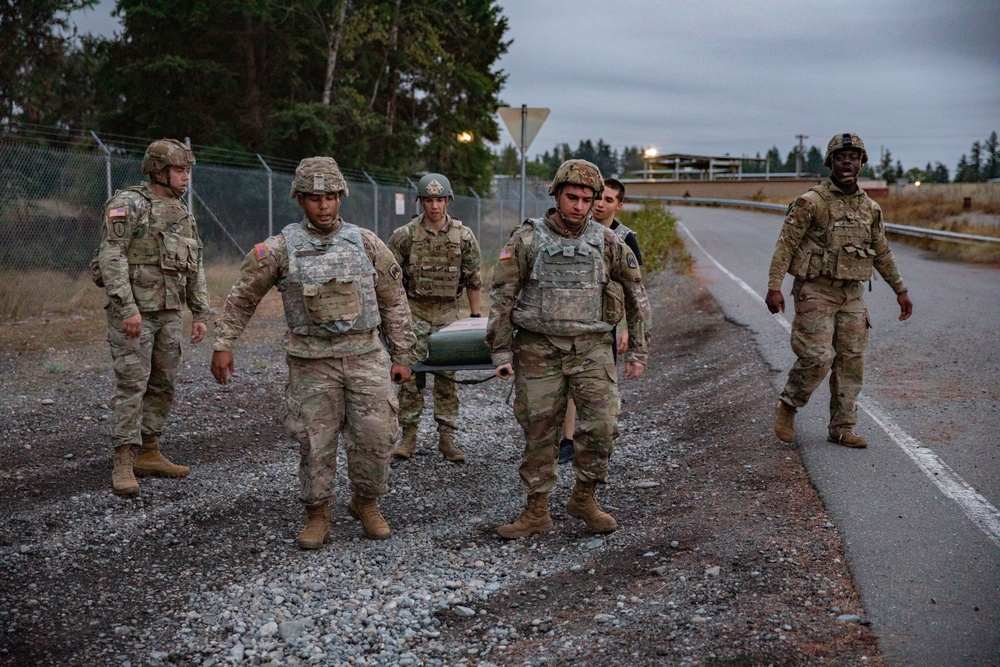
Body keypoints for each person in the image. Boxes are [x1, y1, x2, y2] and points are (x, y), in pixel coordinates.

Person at [210, 157, 416, 548]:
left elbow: (393, 300)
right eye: (314, 198)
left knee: (376, 436)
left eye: (331, 197)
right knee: (315, 443)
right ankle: (317, 514)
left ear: (341, 198)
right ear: (301, 201)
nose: (324, 206)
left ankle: (366, 502)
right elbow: (242, 297)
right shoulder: (280, 248)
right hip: (311, 362)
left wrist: (403, 354)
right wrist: (224, 344)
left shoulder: (367, 243)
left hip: (366, 356)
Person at [486, 159, 652, 539]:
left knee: (604, 425)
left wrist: (638, 351)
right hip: (538, 348)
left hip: (592, 347)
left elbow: (636, 297)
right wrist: (500, 353)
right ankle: (536, 510)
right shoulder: (527, 240)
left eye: (586, 199)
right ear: (557, 195)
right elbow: (503, 298)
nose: (579, 206)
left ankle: (584, 497)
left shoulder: (609, 242)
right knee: (539, 429)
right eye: (572, 197)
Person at [766, 133, 913, 448]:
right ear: (830, 161)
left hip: (852, 294)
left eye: (854, 156)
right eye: (841, 156)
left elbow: (882, 251)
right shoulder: (811, 202)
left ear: (861, 163)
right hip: (815, 290)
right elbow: (786, 246)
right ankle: (789, 406)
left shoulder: (870, 208)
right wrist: (774, 287)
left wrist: (900, 289)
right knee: (818, 358)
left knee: (851, 360)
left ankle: (842, 428)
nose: (848, 161)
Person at [95, 138, 209, 498]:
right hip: (135, 314)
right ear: (159, 171)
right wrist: (127, 308)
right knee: (132, 385)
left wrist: (201, 311)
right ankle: (124, 460)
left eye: (188, 170)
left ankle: (149, 450)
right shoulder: (128, 204)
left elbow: (195, 267)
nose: (186, 177)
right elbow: (111, 257)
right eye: (179, 170)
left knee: (163, 383)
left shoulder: (182, 214)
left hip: (169, 313)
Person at [387, 173, 483, 463]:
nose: (434, 206)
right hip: (413, 311)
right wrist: (392, 317)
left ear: (448, 201)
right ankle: (409, 437)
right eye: (429, 200)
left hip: (448, 315)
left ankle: (446, 439)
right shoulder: (404, 236)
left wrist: (476, 318)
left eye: (440, 200)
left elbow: (473, 278)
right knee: (409, 375)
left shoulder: (463, 236)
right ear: (421, 202)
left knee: (447, 378)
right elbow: (389, 280)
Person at [559, 178, 642, 465]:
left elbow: (636, 291)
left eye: (608, 199)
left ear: (618, 205)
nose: (600, 204)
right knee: (568, 382)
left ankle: (595, 440)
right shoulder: (577, 232)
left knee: (600, 385)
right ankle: (567, 438)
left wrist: (629, 331)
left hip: (606, 323)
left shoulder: (625, 238)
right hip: (572, 319)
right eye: (599, 197)